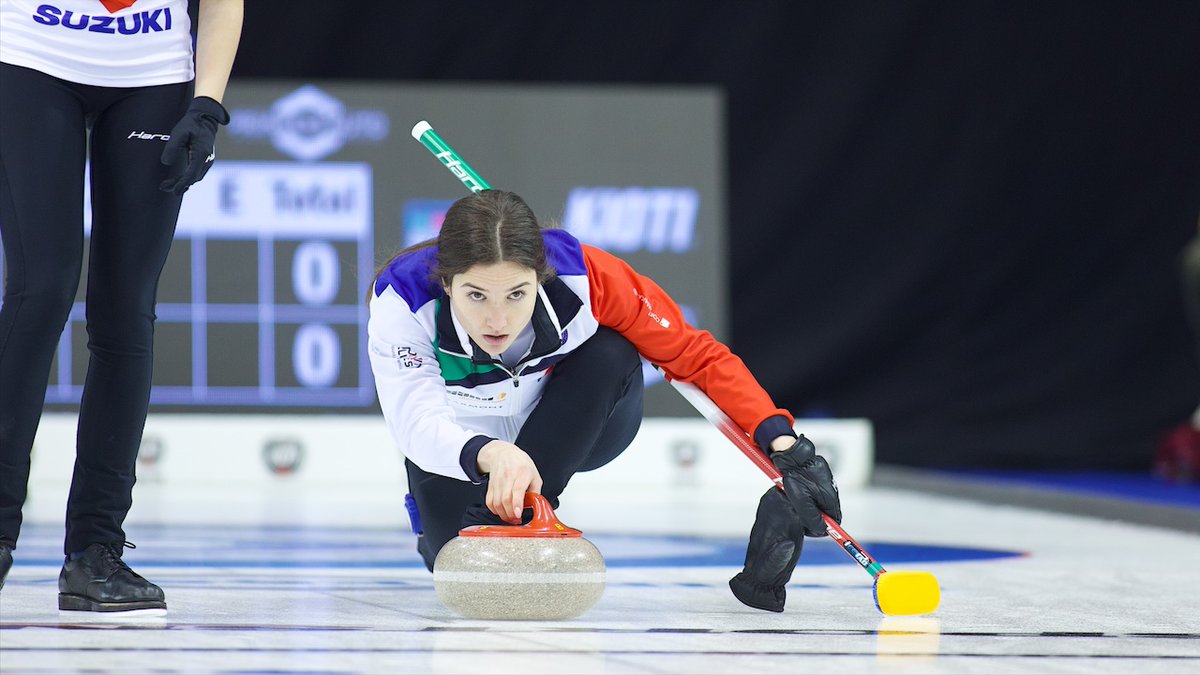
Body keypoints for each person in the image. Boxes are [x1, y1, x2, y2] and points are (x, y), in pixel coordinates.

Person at [368, 189, 842, 612]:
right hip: (465, 440)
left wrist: (783, 443)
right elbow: (415, 421)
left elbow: (694, 356)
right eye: (476, 295)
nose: (498, 318)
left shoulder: (588, 276)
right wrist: (488, 453)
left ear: (540, 277)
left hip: (576, 427)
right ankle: (466, 524)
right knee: (456, 570)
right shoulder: (403, 299)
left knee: (611, 349)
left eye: (517, 294)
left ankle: (516, 511)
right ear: (447, 283)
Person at [0, 0, 243, 611]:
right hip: (30, 58)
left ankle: (95, 552)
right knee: (41, 291)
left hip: (153, 74)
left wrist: (207, 104)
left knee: (126, 310)